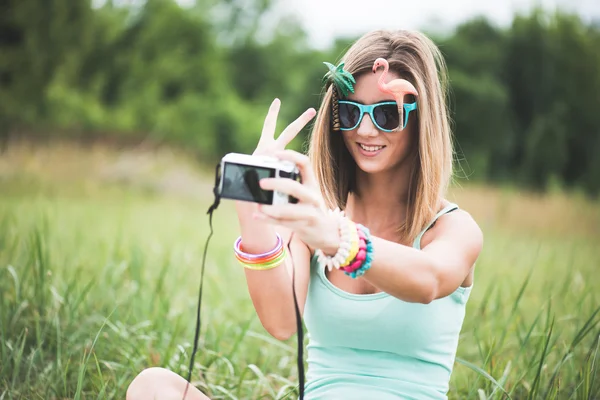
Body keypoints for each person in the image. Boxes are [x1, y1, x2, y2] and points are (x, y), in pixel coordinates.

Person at [126, 29, 483, 400]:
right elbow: (281, 322)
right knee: (153, 387)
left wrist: (339, 239)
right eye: (350, 112)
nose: (365, 129)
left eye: (386, 114)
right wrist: (254, 210)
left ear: (421, 119)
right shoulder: (316, 222)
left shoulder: (452, 228)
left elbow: (428, 282)